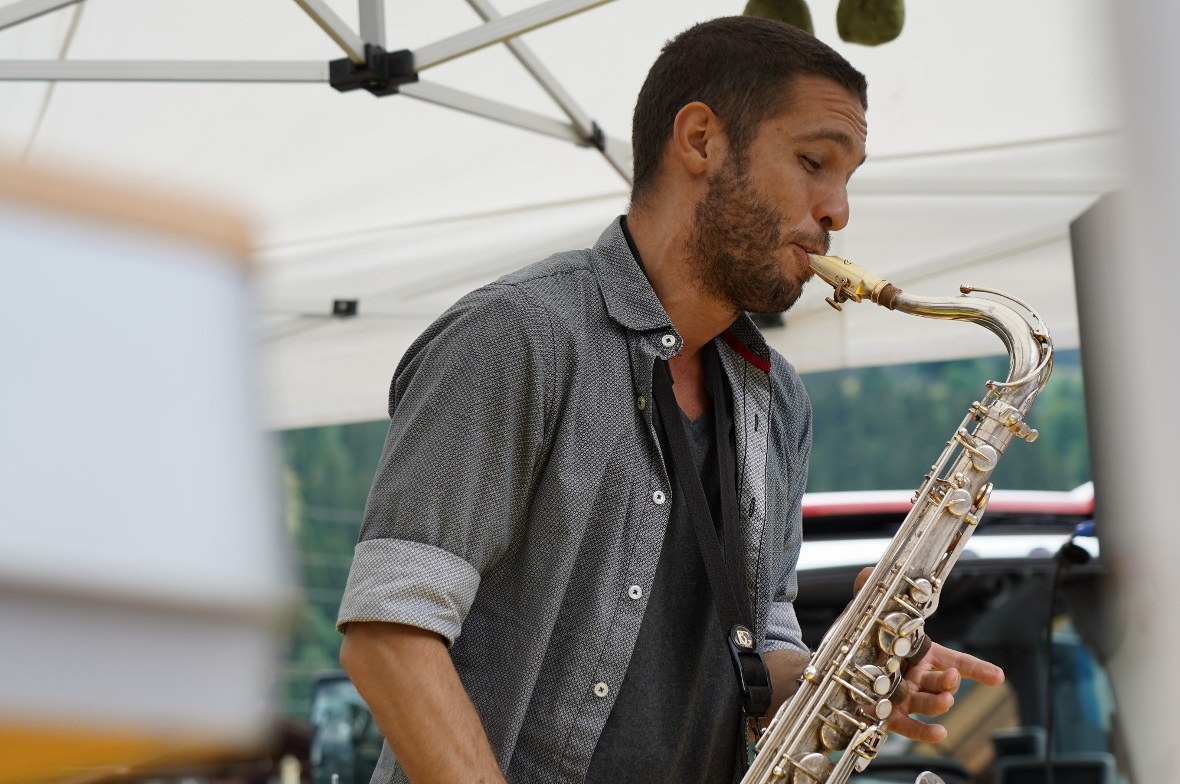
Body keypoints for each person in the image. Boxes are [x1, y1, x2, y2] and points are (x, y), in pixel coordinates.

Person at [336, 15, 1003, 784]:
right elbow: (389, 637)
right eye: (814, 161)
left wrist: (848, 672)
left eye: (847, 179)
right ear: (699, 141)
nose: (838, 211)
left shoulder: (777, 398)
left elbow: (760, 651)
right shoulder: (515, 337)